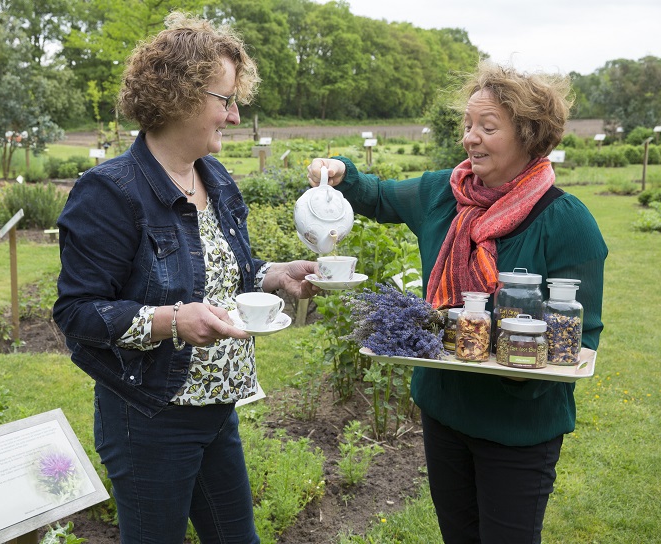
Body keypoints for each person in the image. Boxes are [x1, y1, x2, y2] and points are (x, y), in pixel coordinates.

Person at [307, 61, 607, 543]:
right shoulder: (443, 195)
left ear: (529, 136)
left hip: (518, 426)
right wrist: (342, 173)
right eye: (468, 125)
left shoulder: (566, 222)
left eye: (488, 127)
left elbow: (582, 334)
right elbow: (378, 196)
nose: (471, 138)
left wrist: (514, 366)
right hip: (445, 407)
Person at [53, 12, 318, 544]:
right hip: (151, 415)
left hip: (217, 407)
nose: (236, 115)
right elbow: (76, 313)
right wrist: (173, 321)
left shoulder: (213, 176)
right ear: (180, 97)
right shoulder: (111, 191)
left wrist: (275, 276)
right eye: (225, 100)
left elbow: (227, 273)